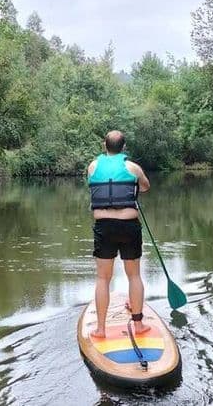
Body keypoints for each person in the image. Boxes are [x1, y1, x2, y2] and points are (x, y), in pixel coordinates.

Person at [86, 130, 151, 338]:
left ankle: (101, 329)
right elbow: (146, 187)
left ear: (104, 146)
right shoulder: (133, 167)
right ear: (124, 147)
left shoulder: (93, 167)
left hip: (104, 227)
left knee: (103, 279)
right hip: (128, 225)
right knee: (134, 276)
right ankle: (139, 325)